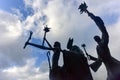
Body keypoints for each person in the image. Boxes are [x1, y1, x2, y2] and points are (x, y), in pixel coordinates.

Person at [84, 5, 120, 80]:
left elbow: (103, 30)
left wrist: (89, 14)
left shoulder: (103, 42)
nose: (95, 38)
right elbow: (99, 60)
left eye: (96, 37)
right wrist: (90, 57)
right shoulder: (98, 48)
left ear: (99, 38)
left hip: (114, 65)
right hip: (109, 70)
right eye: (95, 38)